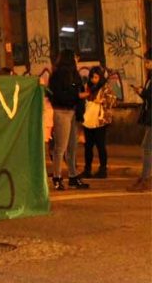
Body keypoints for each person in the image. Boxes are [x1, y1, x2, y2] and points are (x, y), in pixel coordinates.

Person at [48, 50, 89, 191]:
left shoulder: (75, 75)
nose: (77, 60)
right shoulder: (57, 76)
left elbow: (79, 92)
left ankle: (73, 176)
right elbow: (59, 96)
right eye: (75, 57)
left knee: (72, 146)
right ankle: (57, 177)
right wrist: (78, 96)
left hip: (73, 112)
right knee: (60, 147)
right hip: (62, 111)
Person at [81, 66, 116, 179]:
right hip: (88, 120)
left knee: (101, 145)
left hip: (100, 121)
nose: (93, 80)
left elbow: (112, 101)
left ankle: (102, 169)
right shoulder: (88, 87)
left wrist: (101, 101)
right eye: (92, 77)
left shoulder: (106, 87)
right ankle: (87, 169)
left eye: (96, 77)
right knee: (88, 146)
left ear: (100, 77)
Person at [128, 51, 151, 192]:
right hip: (149, 116)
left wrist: (143, 92)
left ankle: (146, 179)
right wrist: (142, 92)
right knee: (146, 147)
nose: (146, 64)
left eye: (148, 61)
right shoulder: (149, 77)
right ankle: (144, 177)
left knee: (147, 148)